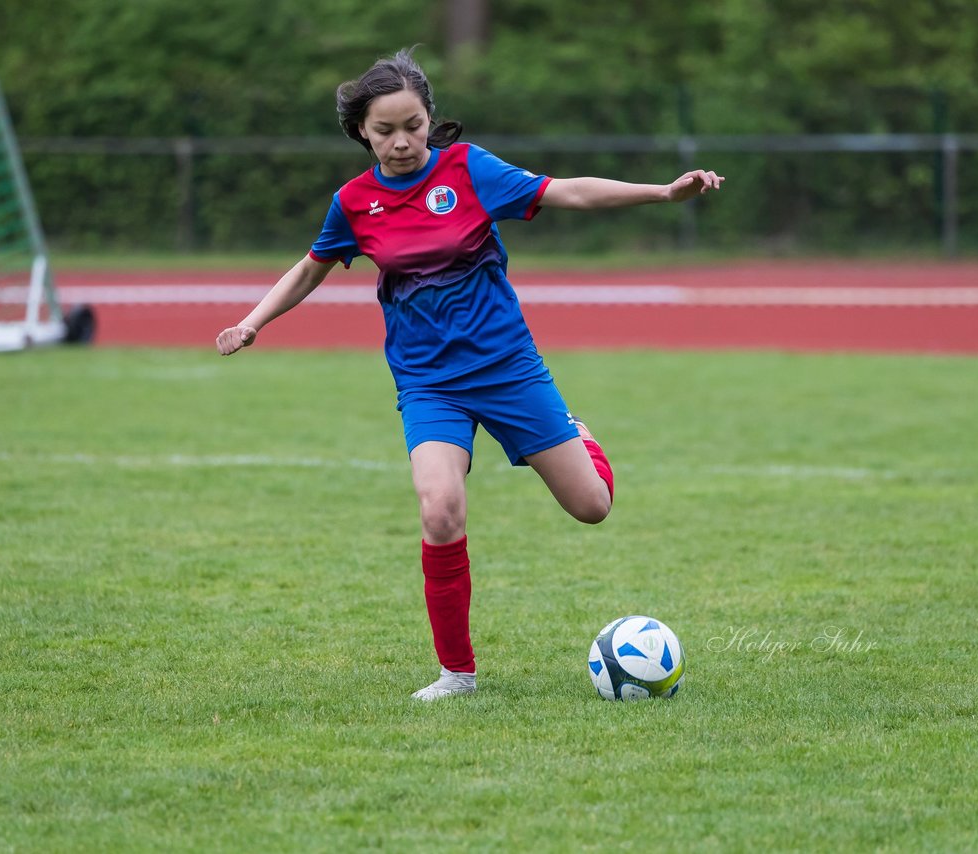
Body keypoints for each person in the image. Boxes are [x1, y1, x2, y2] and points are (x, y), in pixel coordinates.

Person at [217, 48, 724, 701]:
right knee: (440, 508)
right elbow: (311, 267)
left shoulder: (469, 169)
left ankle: (578, 434)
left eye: (413, 125)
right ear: (361, 134)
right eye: (385, 131)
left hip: (508, 369)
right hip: (428, 382)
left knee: (591, 508)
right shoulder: (355, 203)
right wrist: (254, 321)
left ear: (430, 119)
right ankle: (457, 673)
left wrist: (662, 191)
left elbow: (564, 191)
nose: (402, 142)